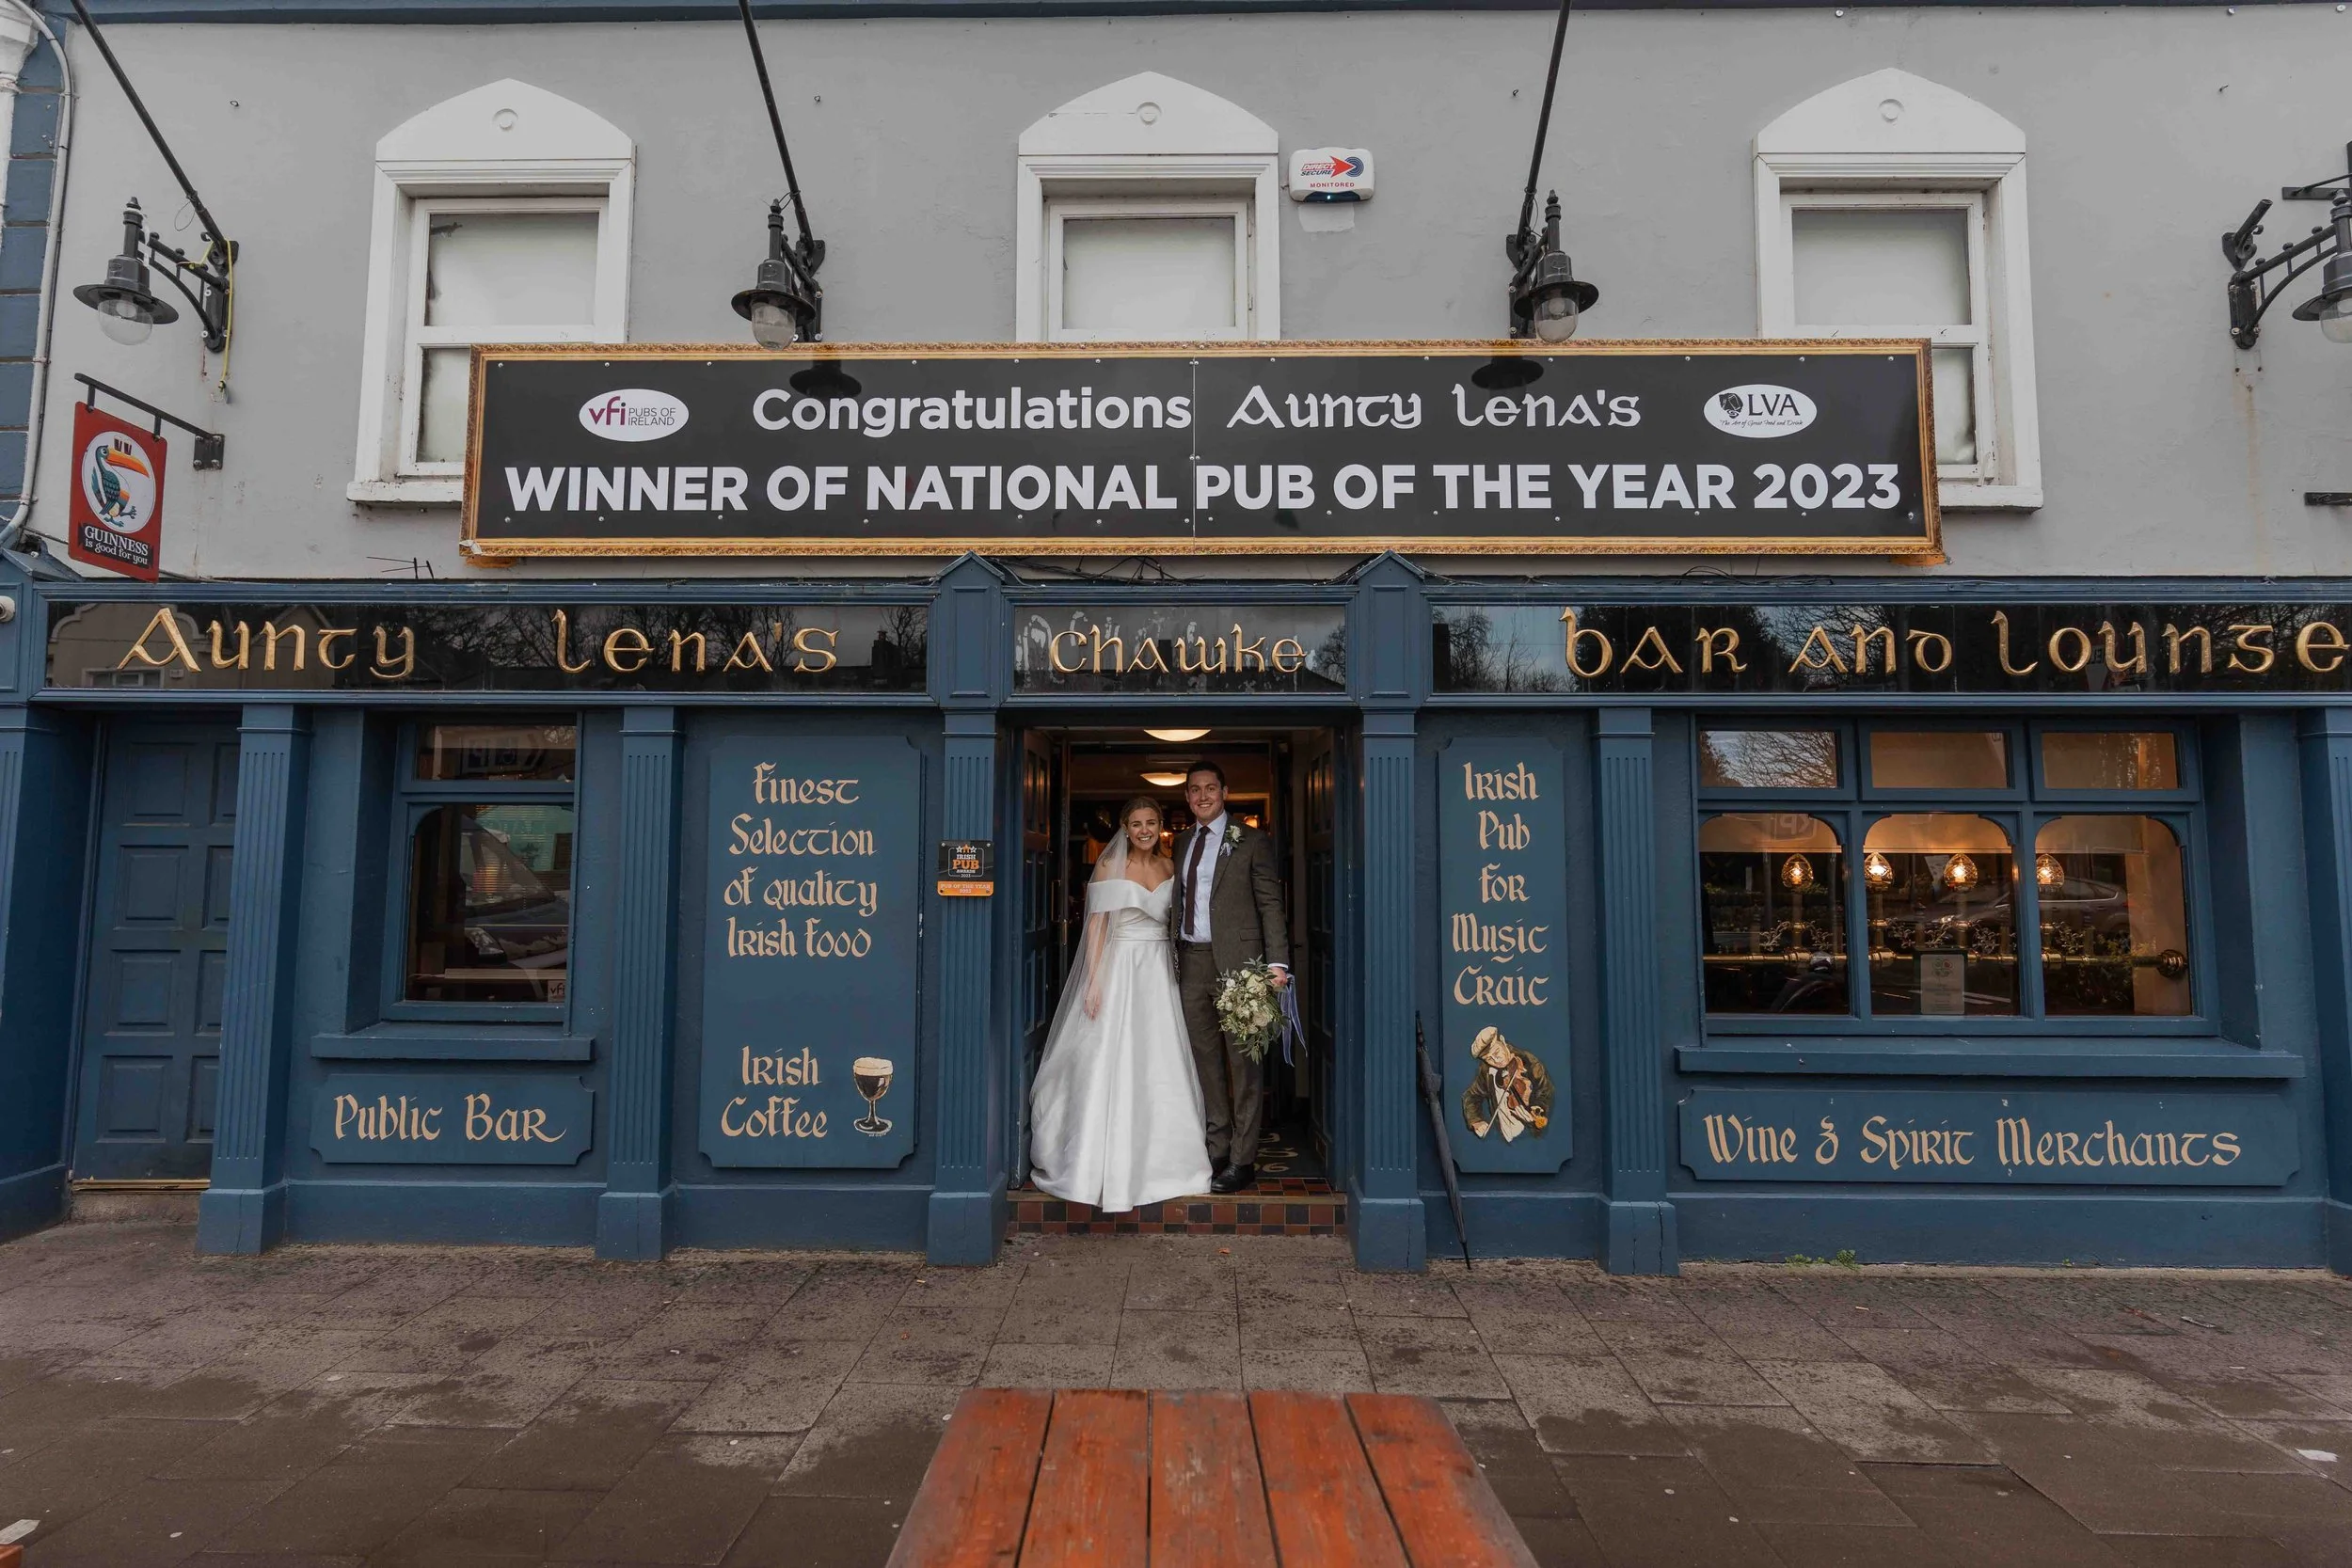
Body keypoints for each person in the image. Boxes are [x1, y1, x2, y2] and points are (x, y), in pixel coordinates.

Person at [1028, 797, 1213, 1211]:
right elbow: (1096, 927)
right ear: (1125, 829)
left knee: (1159, 1060)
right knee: (1111, 1058)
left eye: (1151, 822)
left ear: (1161, 824)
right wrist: (1094, 982)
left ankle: (1167, 1163)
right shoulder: (1110, 866)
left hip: (1159, 971)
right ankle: (1099, 1163)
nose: (1144, 830)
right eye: (1136, 824)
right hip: (1119, 967)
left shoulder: (1169, 868)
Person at [1169, 761, 1291, 1195]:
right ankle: (1217, 1148)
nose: (1202, 796)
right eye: (1195, 790)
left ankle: (1243, 1159)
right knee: (1205, 1063)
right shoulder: (1182, 842)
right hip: (1192, 963)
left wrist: (1277, 963)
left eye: (1210, 789)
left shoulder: (1252, 840)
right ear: (1187, 797)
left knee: (1244, 1065)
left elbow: (1271, 904)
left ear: (1225, 792)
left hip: (1242, 965)